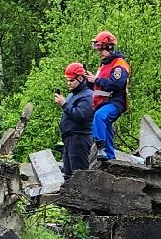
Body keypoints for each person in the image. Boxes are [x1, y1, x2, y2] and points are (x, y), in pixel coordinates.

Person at [88, 31, 131, 163]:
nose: (99, 53)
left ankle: (100, 147)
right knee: (105, 126)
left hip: (115, 102)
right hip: (103, 103)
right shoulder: (103, 65)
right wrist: (90, 81)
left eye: (101, 50)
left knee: (100, 116)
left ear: (109, 47)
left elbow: (117, 83)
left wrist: (96, 80)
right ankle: (110, 159)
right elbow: (98, 88)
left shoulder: (119, 64)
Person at [54, 62, 95, 175]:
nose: (69, 83)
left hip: (80, 138)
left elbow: (81, 116)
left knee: (79, 174)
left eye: (72, 80)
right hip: (69, 138)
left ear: (81, 78)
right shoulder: (73, 94)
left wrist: (64, 104)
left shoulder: (88, 95)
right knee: (68, 174)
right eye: (67, 80)